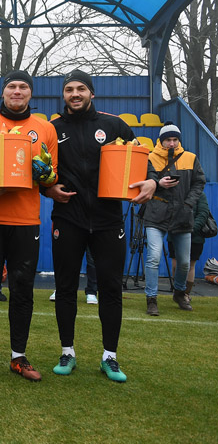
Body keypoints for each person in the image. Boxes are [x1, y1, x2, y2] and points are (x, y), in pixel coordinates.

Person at [45, 70, 157, 383]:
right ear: (63, 94)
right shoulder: (53, 129)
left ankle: (110, 356)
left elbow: (143, 160)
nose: (75, 94)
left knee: (110, 289)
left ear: (91, 93)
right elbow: (40, 169)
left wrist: (152, 180)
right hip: (68, 218)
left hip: (109, 220)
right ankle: (67, 351)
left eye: (81, 88)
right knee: (65, 287)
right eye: (69, 89)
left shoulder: (114, 125)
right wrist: (47, 189)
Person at [0, 70, 58, 382]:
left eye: (23, 87)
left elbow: (52, 174)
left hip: (25, 220)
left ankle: (19, 356)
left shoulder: (45, 128)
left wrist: (47, 176)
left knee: (22, 289)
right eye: (12, 86)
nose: (17, 91)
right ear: (3, 92)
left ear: (30, 93)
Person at [142, 122, 205, 315]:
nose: (171, 143)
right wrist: (158, 183)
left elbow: (199, 182)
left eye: (175, 139)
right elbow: (144, 181)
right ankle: (151, 299)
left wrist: (188, 204)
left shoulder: (191, 158)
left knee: (184, 262)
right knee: (153, 258)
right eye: (168, 140)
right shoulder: (149, 158)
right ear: (161, 141)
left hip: (182, 214)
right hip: (156, 212)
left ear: (179, 140)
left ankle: (179, 293)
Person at [168, 192, 212, 302]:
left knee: (190, 265)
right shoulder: (175, 192)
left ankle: (186, 294)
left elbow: (203, 213)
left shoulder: (200, 195)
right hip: (175, 233)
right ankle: (177, 291)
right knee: (175, 265)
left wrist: (190, 230)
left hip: (195, 238)